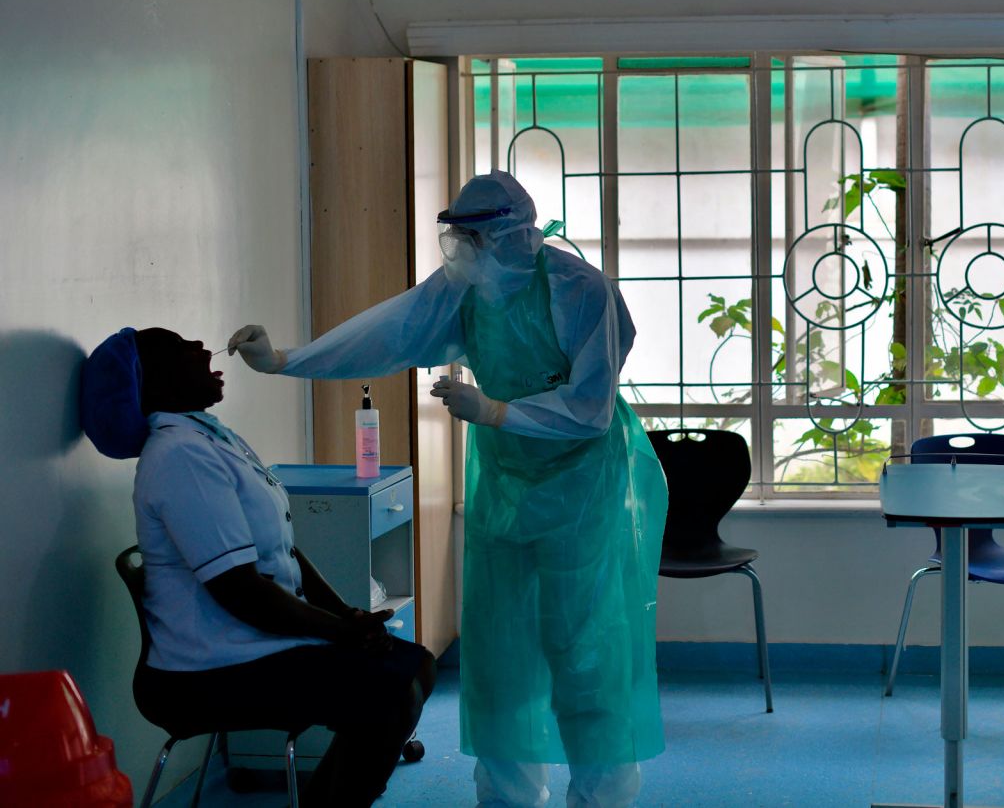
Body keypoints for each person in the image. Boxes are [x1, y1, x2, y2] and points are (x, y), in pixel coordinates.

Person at [227, 170, 669, 808]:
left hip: (580, 489)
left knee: (584, 650)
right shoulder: (469, 286)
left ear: (517, 236)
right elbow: (389, 332)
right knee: (499, 651)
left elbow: (591, 408)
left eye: (475, 236)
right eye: (457, 235)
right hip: (504, 487)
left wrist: (495, 411)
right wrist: (287, 360)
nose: (462, 249)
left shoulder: (581, 291)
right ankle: (509, 798)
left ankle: (603, 799)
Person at [80, 326, 436, 807]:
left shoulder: (212, 439)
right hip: (205, 672)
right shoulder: (180, 456)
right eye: (181, 345)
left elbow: (285, 551)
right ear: (154, 381)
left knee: (415, 666)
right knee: (388, 696)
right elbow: (240, 592)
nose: (202, 347)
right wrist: (339, 632)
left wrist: (346, 616)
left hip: (250, 644)